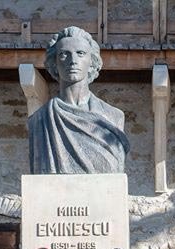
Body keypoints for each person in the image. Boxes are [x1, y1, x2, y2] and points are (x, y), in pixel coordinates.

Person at [28, 26, 130, 174]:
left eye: (80, 53)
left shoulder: (114, 116)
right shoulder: (39, 120)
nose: (73, 61)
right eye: (64, 54)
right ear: (54, 64)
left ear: (91, 63)